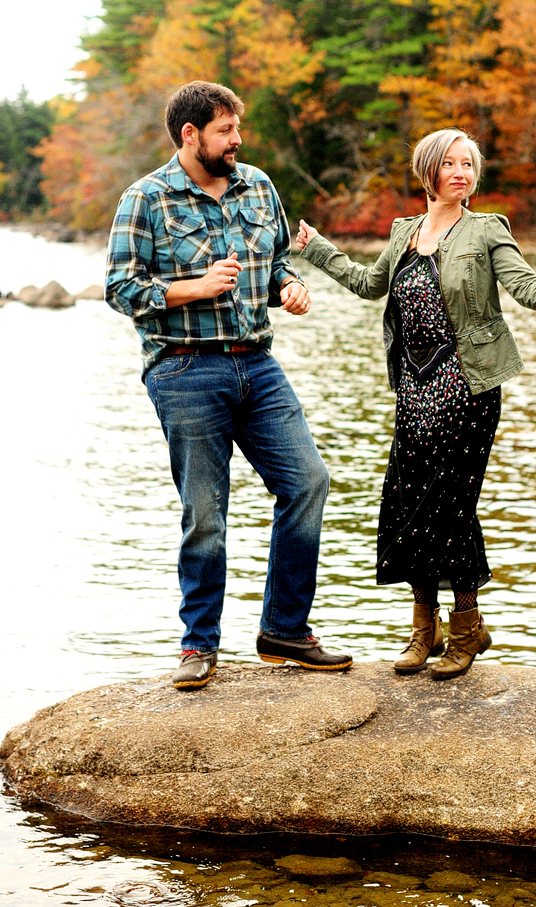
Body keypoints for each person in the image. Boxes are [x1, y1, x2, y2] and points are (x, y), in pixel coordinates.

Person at [296, 128, 536, 681]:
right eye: (449, 163)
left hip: (468, 386)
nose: (461, 173)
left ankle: (466, 628)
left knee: (451, 505)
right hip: (415, 388)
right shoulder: (404, 233)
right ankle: (423, 630)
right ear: (427, 170)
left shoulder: (487, 230)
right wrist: (317, 249)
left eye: (468, 164)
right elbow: (369, 285)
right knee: (408, 504)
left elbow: (532, 291)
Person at [105, 80, 352, 689]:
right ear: (190, 135)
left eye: (237, 128)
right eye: (225, 130)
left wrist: (287, 288)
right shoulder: (146, 199)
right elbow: (119, 288)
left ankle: (284, 631)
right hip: (185, 369)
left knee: (308, 482)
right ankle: (198, 646)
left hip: (257, 364)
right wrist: (193, 287)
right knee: (207, 511)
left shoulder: (259, 186)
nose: (237, 139)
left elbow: (273, 267)